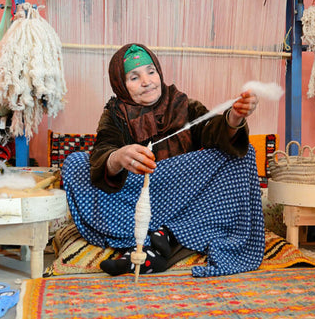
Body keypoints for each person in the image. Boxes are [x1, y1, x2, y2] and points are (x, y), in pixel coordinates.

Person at [61, 43, 265, 277]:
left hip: (184, 197)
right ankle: (159, 242)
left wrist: (234, 118)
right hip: (136, 198)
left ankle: (159, 242)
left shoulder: (182, 104)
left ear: (159, 72)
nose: (147, 81)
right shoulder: (115, 114)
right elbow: (103, 149)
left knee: (243, 153)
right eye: (134, 77)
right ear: (120, 84)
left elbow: (212, 132)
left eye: (151, 72)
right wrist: (118, 157)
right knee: (75, 164)